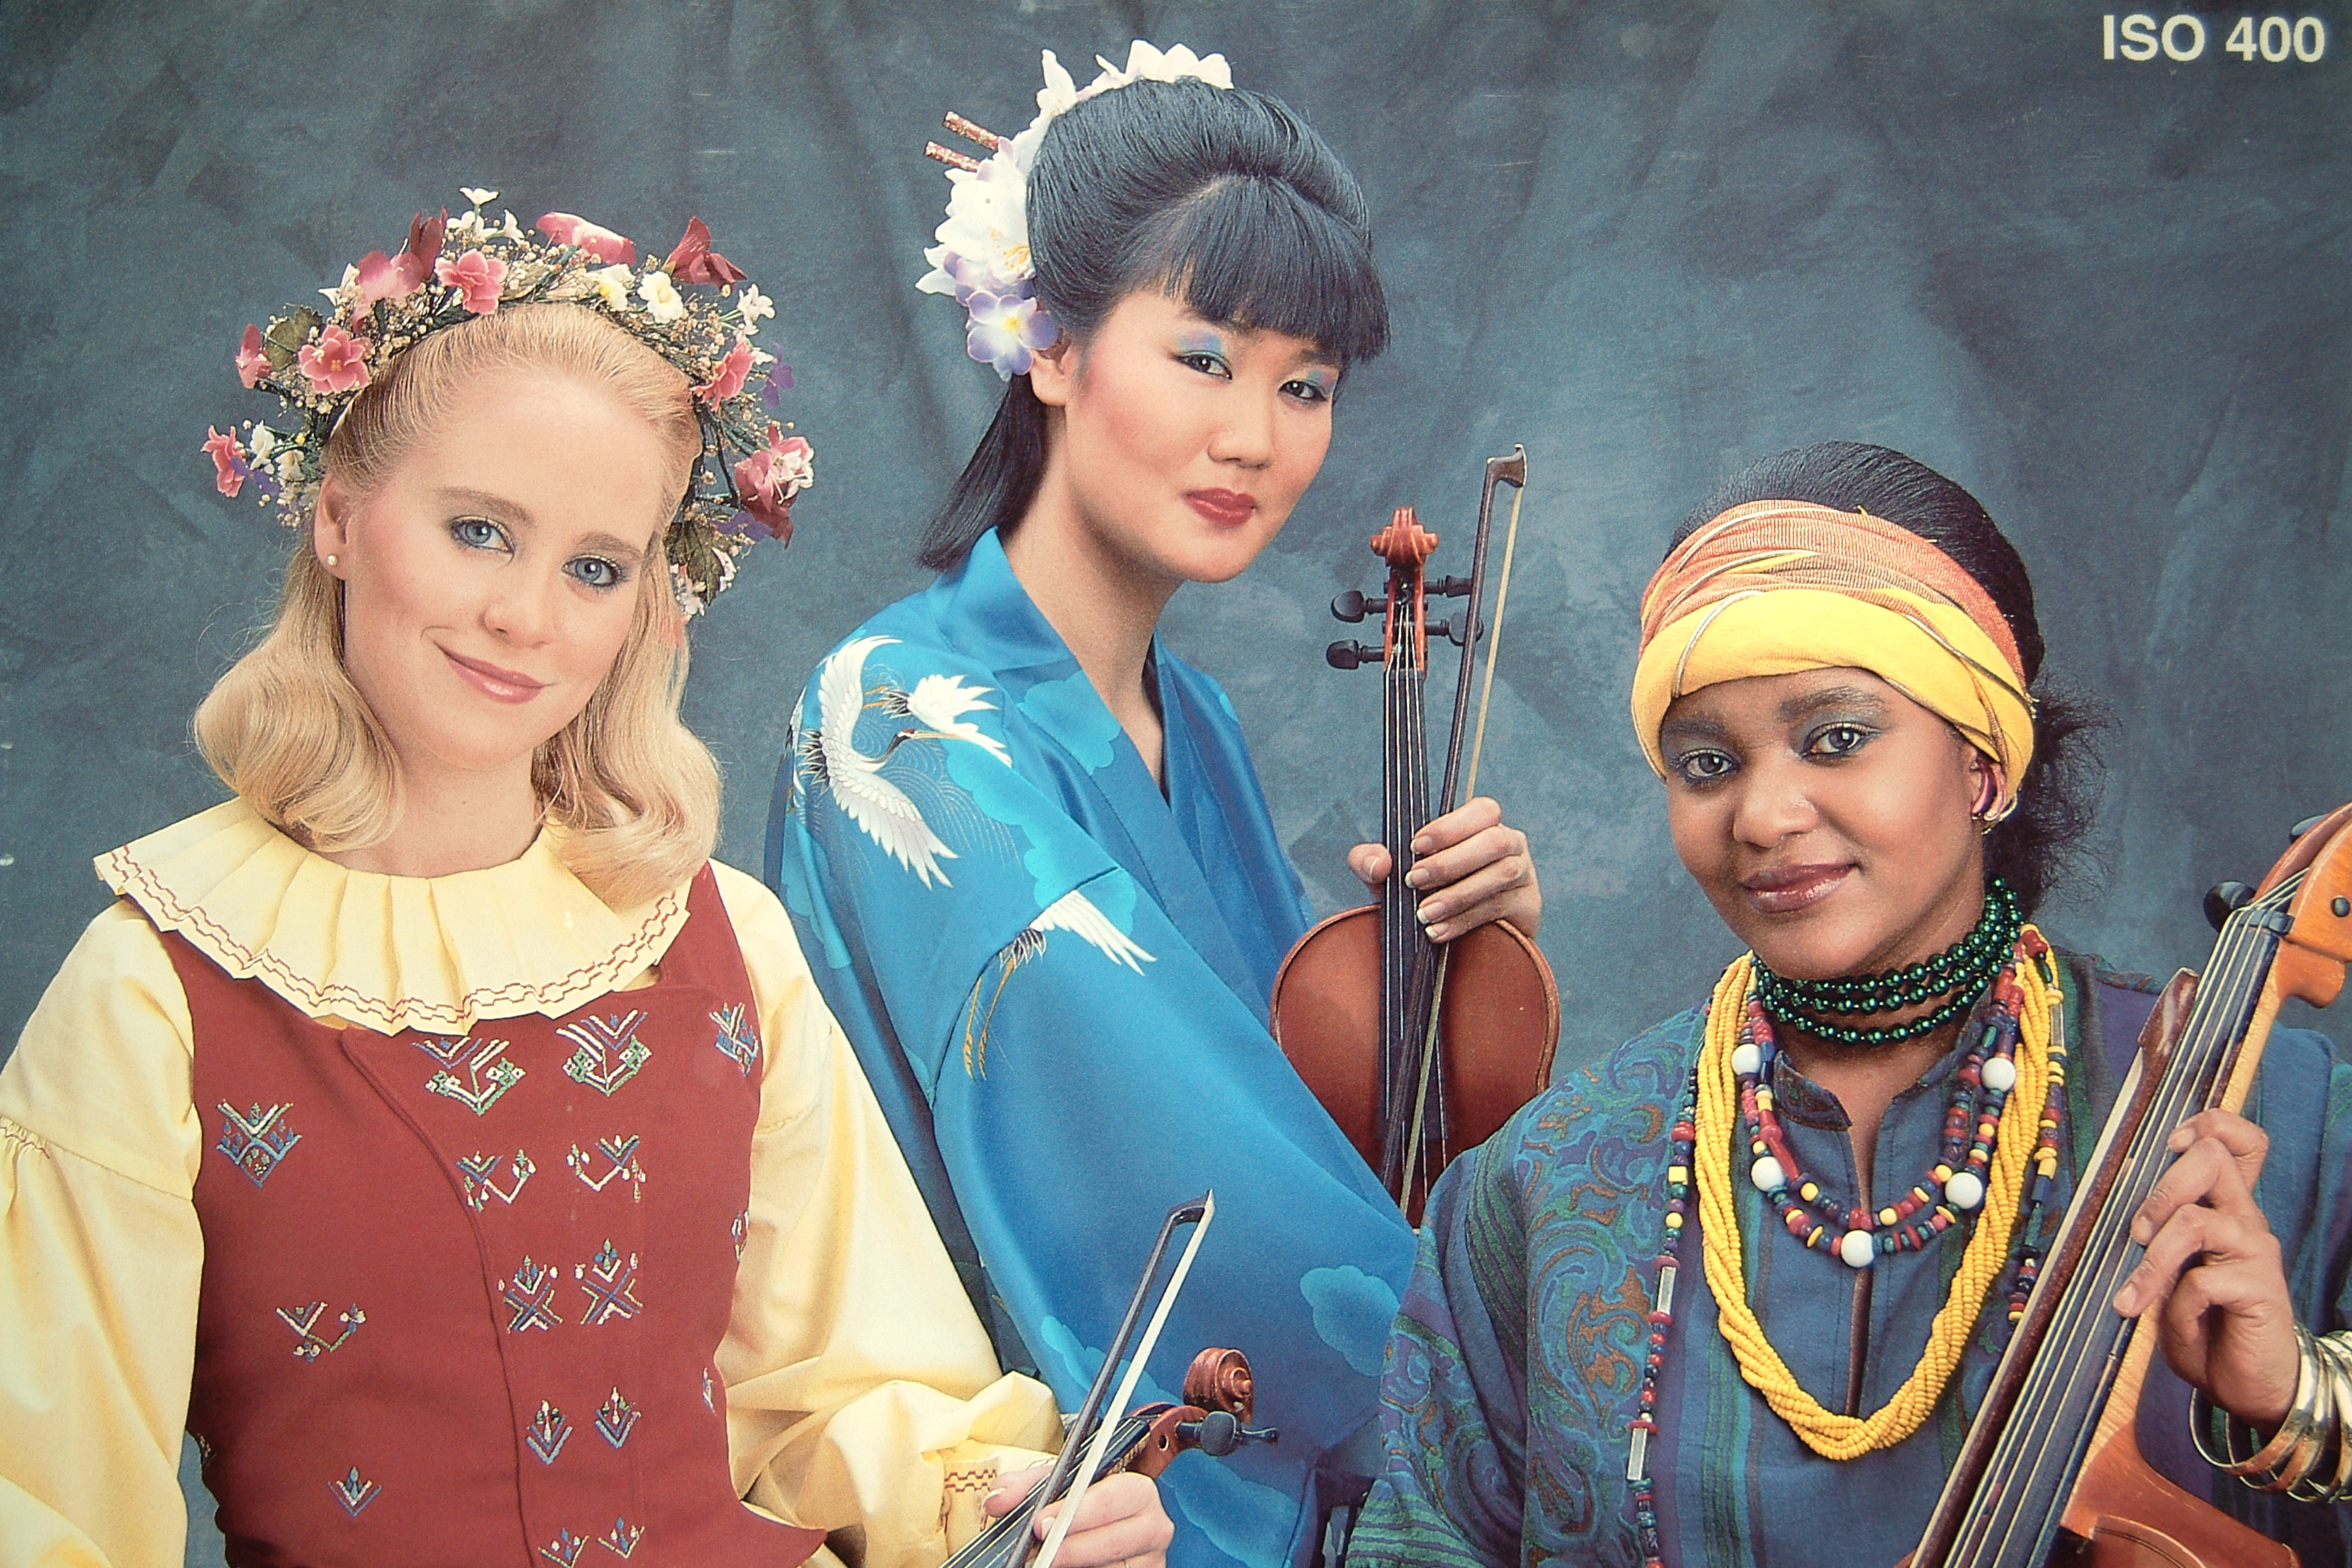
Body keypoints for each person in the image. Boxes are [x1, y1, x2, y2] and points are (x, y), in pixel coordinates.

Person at [0, 193, 1167, 1568]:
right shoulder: (155, 989)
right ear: (339, 517)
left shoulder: (722, 939)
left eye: (596, 567)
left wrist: (1008, 1503)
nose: (525, 617)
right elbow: (47, 1499)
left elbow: (838, 1393)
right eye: (478, 531)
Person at [765, 42, 1542, 1568]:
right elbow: (1188, 1169)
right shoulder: (898, 717)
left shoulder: (1200, 723)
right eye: (1205, 358)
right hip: (1046, 1491)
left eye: (1304, 385)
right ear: (1050, 346)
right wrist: (1520, 1343)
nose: (1256, 435)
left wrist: (1451, 982)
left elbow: (1302, 1118)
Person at [1347, 441, 2352, 1566]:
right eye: (1706, 765)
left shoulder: (2277, 1124)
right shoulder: (1546, 1179)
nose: (1764, 816)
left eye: (1837, 740)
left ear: (1984, 763)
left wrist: (2297, 1399)